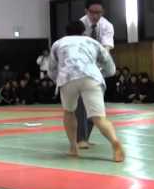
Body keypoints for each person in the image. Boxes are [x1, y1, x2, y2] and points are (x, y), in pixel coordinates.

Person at [48, 20, 124, 162]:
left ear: (66, 32)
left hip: (68, 78)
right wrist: (107, 74)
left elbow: (52, 68)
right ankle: (114, 142)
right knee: (99, 118)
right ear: (83, 31)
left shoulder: (58, 43)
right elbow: (108, 63)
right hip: (91, 77)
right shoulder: (92, 42)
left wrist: (57, 80)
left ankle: (73, 147)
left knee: (69, 112)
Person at [76, 0, 115, 149]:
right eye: (92, 12)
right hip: (80, 67)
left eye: (99, 12)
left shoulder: (107, 26)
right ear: (86, 11)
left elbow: (106, 50)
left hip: (99, 68)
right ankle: (80, 139)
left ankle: (84, 137)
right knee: (81, 105)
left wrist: (98, 70)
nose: (95, 16)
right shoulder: (80, 25)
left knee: (95, 105)